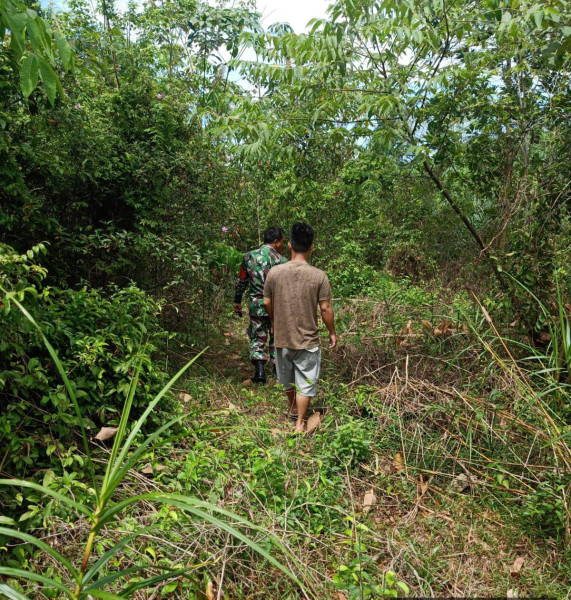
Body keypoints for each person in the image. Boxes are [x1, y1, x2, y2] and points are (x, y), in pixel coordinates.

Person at [263, 222, 337, 432]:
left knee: (286, 378)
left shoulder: (274, 273)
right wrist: (332, 332)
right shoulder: (319, 276)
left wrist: (275, 322)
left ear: (289, 245)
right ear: (311, 246)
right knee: (305, 381)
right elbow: (325, 308)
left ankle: (293, 408)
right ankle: (300, 422)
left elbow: (267, 302)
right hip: (307, 340)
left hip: (283, 336)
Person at [234, 227, 287, 383]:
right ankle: (277, 373)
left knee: (257, 336)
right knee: (276, 336)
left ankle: (260, 373)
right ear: (276, 242)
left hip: (256, 304)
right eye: (282, 242)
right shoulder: (282, 261)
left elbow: (241, 281)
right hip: (277, 305)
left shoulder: (249, 257)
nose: (283, 245)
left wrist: (237, 300)